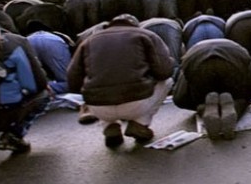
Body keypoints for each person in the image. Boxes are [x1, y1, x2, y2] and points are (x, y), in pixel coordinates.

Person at [67, 14, 175, 148]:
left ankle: (109, 125)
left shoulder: (89, 40)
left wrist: (89, 96)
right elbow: (164, 72)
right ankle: (140, 124)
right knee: (167, 81)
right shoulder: (146, 35)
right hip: (137, 103)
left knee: (97, 84)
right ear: (136, 25)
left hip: (99, 107)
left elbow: (72, 78)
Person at [172, 38, 251, 140]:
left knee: (188, 95)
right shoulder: (235, 46)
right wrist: (244, 99)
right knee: (240, 93)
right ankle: (236, 106)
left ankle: (204, 107)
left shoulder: (192, 50)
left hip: (197, 63)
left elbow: (179, 97)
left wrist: (195, 102)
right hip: (233, 61)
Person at [0, 21, 50, 154]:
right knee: (43, 95)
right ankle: (14, 134)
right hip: (2, 111)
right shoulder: (16, 41)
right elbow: (37, 82)